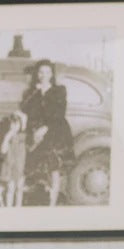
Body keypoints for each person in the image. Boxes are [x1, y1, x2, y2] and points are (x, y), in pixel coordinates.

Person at [21, 59, 74, 207]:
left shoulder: (59, 90)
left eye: (47, 72)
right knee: (37, 169)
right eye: (41, 72)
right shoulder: (31, 92)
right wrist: (37, 92)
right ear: (37, 74)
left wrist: (44, 129)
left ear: (52, 74)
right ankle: (41, 200)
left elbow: (59, 113)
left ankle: (52, 204)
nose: (44, 75)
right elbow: (25, 110)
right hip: (36, 133)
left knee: (54, 169)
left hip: (55, 133)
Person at [0, 110, 27, 207]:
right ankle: (9, 209)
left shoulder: (22, 136)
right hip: (10, 167)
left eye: (17, 124)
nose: (15, 126)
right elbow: (3, 151)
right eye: (12, 124)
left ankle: (18, 209)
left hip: (20, 167)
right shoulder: (7, 137)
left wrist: (17, 114)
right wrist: (7, 137)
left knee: (19, 189)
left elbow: (24, 118)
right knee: (10, 189)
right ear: (9, 125)